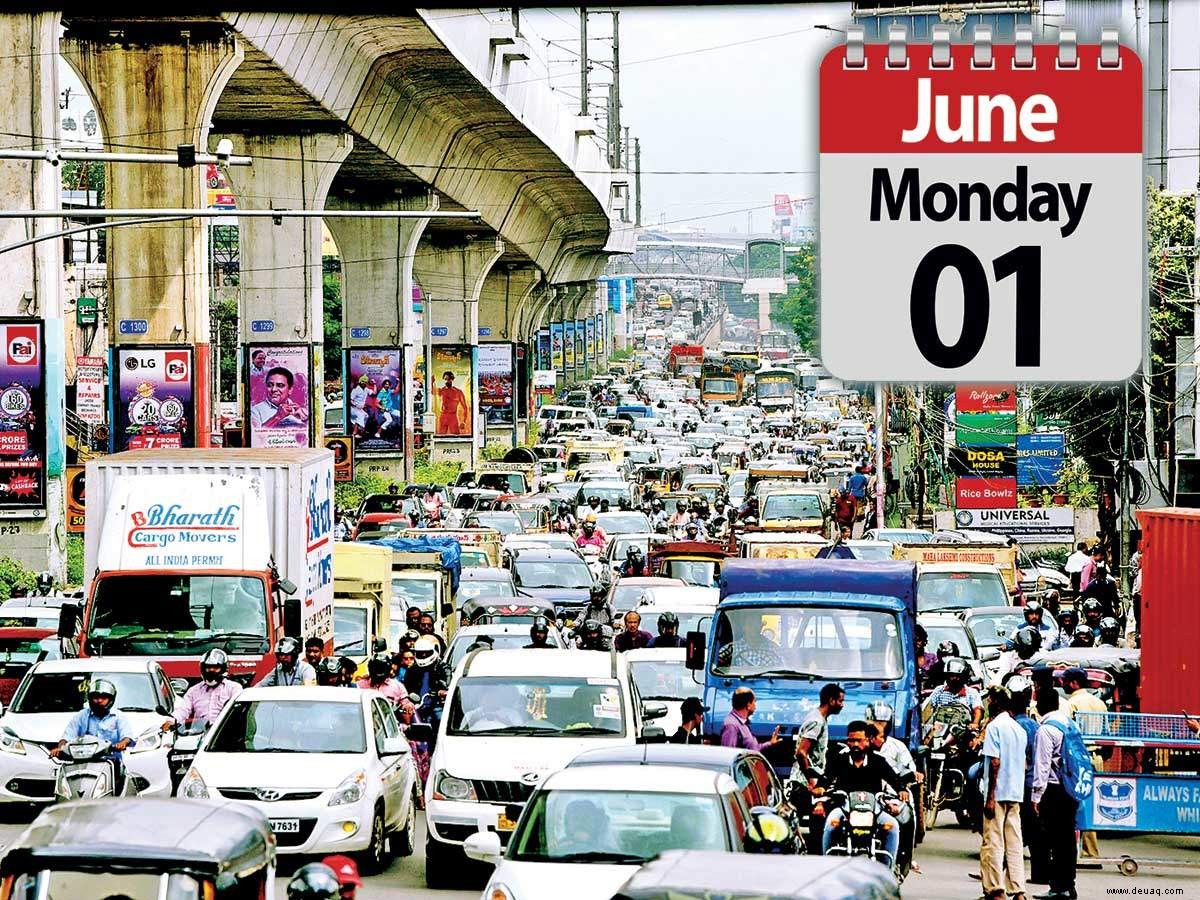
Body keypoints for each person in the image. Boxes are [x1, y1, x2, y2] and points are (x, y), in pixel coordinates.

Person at [821, 720, 909, 867]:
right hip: (844, 809)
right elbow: (825, 781)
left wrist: (901, 789)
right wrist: (820, 791)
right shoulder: (838, 760)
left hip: (875, 810)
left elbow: (894, 779)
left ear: (868, 740)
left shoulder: (878, 761)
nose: (855, 744)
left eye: (859, 740)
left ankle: (889, 869)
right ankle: (825, 864)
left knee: (892, 826)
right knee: (831, 825)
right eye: (851, 740)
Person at [980, 686, 1028, 900]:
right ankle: (1017, 889)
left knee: (993, 841)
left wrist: (990, 797)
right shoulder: (1019, 729)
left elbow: (995, 762)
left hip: (998, 793)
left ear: (995, 702)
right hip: (1015, 792)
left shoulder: (994, 727)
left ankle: (995, 889)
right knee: (1014, 842)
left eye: (989, 700)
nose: (988, 704)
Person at [1030, 689, 1078, 900]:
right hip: (1071, 788)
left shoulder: (1046, 730)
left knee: (1054, 840)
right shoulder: (1069, 724)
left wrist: (1036, 797)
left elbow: (1042, 766)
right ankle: (1068, 885)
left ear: (1040, 706)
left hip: (1054, 789)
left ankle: (1058, 888)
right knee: (1067, 840)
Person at [51, 678, 135, 794]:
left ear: (111, 700)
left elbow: (127, 737)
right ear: (90, 699)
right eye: (95, 697)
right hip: (81, 762)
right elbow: (67, 737)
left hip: (110, 762)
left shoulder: (118, 717)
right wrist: (60, 748)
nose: (99, 701)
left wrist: (122, 743)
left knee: (119, 786)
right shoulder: (81, 716)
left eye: (103, 698)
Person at [1062, 667, 1106, 861]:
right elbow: (1106, 734)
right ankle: (1090, 851)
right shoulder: (1100, 704)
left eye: (1064, 681)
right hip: (1098, 758)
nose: (1062, 685)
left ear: (1073, 683)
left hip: (1079, 760)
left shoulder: (1072, 704)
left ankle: (1079, 852)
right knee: (1091, 804)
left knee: (1076, 805)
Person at [162, 648, 242, 731]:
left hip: (225, 733)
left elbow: (238, 713)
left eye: (215, 668)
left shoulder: (234, 688)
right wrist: (172, 720)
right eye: (208, 667)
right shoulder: (193, 691)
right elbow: (183, 709)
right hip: (199, 733)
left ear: (223, 669)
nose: (211, 671)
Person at [793, 683, 845, 795]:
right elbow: (801, 753)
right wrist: (810, 779)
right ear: (831, 700)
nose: (842, 705)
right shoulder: (817, 721)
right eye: (840, 701)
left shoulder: (820, 718)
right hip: (804, 783)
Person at [924, 658, 984, 732]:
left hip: (962, 731)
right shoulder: (939, 690)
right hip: (939, 730)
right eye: (950, 675)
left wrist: (975, 723)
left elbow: (978, 710)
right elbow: (928, 708)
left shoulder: (971, 693)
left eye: (957, 676)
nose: (953, 678)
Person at [720, 687, 782, 751]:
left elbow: (753, 749)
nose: (755, 706)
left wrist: (770, 743)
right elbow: (729, 754)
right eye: (754, 702)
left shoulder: (741, 722)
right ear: (748, 705)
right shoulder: (731, 726)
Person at [436, 370, 470, 435]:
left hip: (453, 417)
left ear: (452, 379)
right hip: (443, 416)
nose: (447, 381)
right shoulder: (441, 390)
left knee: (456, 436)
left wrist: (464, 421)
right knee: (441, 436)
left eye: (448, 379)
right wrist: (431, 382)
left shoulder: (458, 392)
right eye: (445, 379)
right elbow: (431, 391)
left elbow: (465, 407)